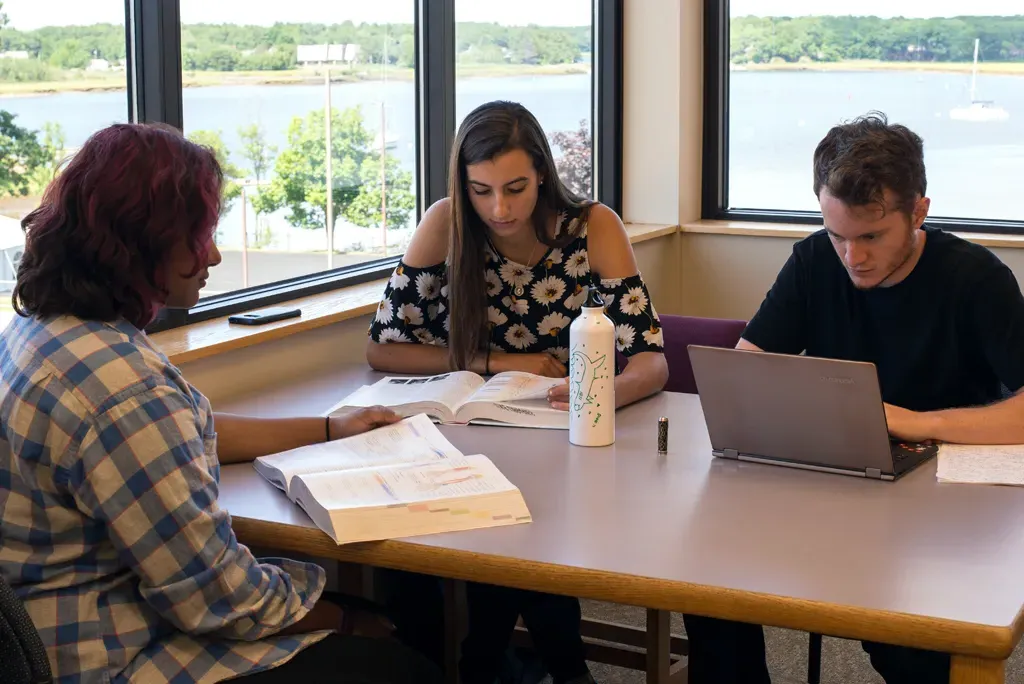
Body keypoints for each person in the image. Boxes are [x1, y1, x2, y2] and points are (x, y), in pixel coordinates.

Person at [0, 123, 442, 684]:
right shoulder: (124, 389)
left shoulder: (43, 331)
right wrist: (346, 619)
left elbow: (190, 431)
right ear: (144, 241)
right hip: (113, 656)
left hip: (44, 634)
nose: (212, 254)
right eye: (200, 235)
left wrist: (332, 428)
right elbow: (219, 599)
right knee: (403, 662)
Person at [681, 111, 1024, 684]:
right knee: (708, 581)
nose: (852, 256)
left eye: (871, 236)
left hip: (946, 503)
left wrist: (913, 421)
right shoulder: (816, 260)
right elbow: (744, 371)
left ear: (919, 211)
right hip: (839, 484)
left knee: (911, 646)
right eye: (837, 233)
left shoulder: (976, 278)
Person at [366, 100, 669, 684]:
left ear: (543, 174)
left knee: (527, 528)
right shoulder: (445, 222)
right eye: (481, 190)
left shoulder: (591, 226)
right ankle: (519, 665)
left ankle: (494, 662)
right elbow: (384, 348)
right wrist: (505, 361)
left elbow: (650, 362)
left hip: (568, 447)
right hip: (470, 437)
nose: (499, 209)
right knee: (430, 548)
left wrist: (593, 393)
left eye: (515, 188)